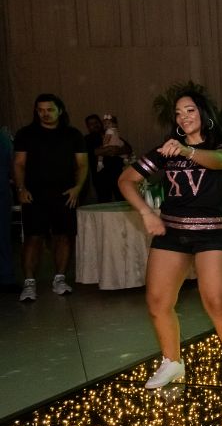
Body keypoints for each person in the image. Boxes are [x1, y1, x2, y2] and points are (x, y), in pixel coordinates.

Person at [118, 91, 222, 389]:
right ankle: (172, 362)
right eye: (178, 113)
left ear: (203, 113)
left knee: (216, 300)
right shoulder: (166, 149)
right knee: (157, 301)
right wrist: (145, 212)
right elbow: (126, 180)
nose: (183, 117)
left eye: (189, 110)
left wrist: (186, 151)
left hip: (213, 232)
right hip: (172, 232)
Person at [13, 94, 88, 301]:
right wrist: (21, 189)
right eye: (40, 110)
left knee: (63, 236)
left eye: (49, 109)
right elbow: (19, 163)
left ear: (60, 111)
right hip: (34, 194)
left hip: (65, 194)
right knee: (33, 237)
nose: (45, 114)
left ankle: (60, 279)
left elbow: (82, 165)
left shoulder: (73, 134)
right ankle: (29, 283)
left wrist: (77, 188)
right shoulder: (26, 134)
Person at [91, 114, 131, 202]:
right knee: (104, 199)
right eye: (91, 124)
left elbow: (128, 148)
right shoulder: (88, 139)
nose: (94, 125)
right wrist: (108, 149)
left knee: (121, 197)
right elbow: (93, 152)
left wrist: (116, 150)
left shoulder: (112, 133)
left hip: (117, 172)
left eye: (96, 122)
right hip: (101, 176)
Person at [0, 126, 16, 292]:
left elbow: (13, 165)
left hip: (2, 193)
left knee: (3, 237)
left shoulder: (3, 138)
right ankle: (7, 277)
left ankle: (7, 278)